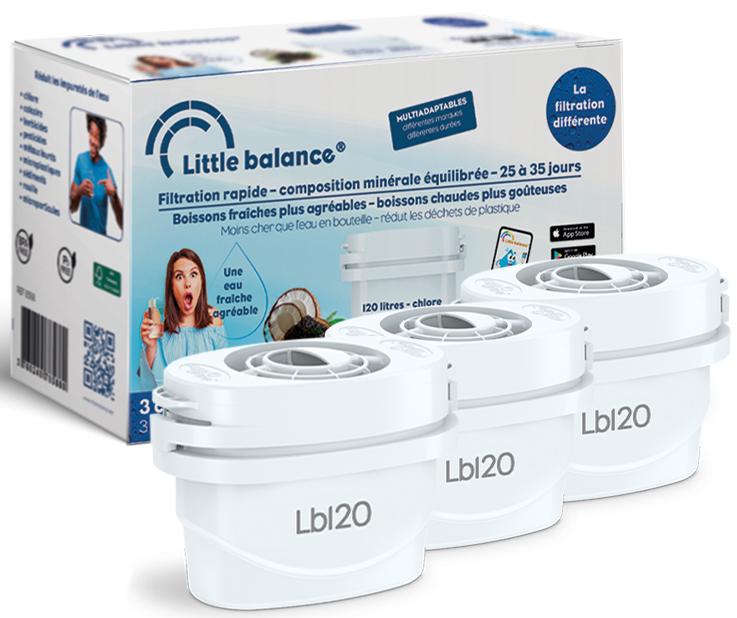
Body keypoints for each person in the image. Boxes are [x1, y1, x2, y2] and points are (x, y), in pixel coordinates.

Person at [138, 248, 227, 388]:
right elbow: (149, 386)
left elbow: (224, 374)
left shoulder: (214, 320)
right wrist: (150, 346)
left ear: (202, 281)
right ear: (171, 286)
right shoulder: (158, 326)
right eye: (179, 277)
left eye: (193, 274)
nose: (187, 283)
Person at [70, 114, 123, 236]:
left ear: (102, 141)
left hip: (100, 239)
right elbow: (72, 208)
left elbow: (122, 224)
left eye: (97, 137)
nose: (93, 141)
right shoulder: (81, 160)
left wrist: (114, 195)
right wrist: (79, 191)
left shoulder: (107, 171)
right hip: (81, 237)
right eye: (91, 134)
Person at [135, 55, 223, 78]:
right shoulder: (164, 74)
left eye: (155, 56)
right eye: (152, 59)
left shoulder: (196, 64)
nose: (157, 58)